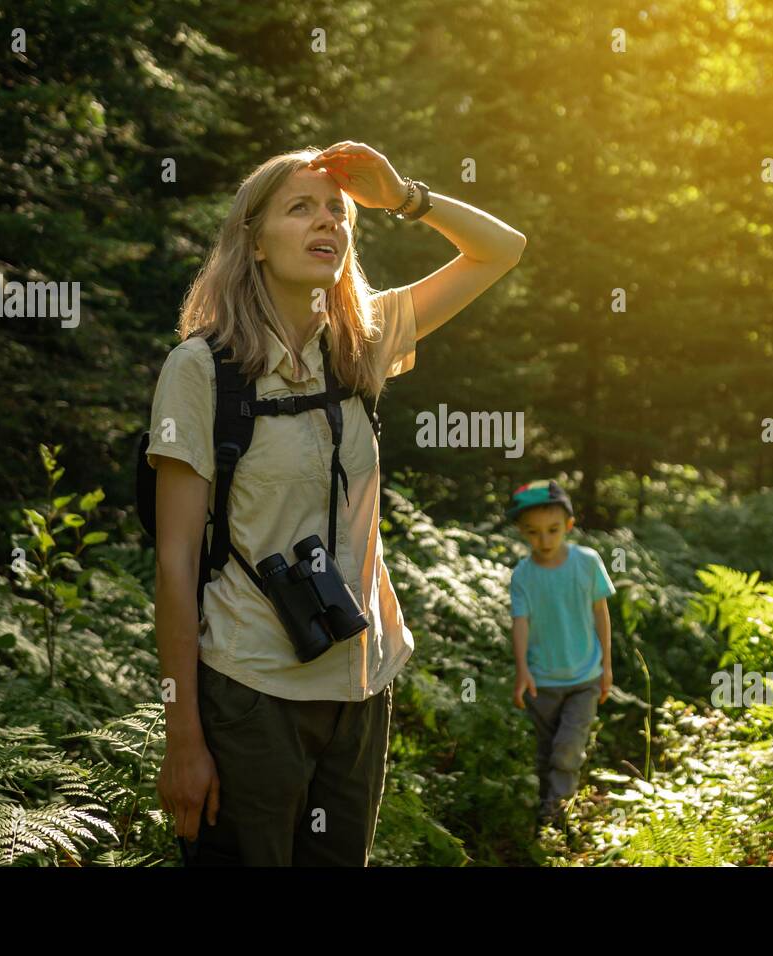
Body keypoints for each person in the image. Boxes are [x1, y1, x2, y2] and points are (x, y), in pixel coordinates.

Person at [151, 141, 526, 865]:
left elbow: (501, 250)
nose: (328, 222)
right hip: (251, 688)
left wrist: (403, 196)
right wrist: (183, 737)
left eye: (339, 211)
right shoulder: (200, 370)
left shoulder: (361, 341)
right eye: (301, 208)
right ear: (254, 242)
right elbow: (173, 566)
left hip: (361, 685)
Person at [507, 479, 617, 827]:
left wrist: (607, 667)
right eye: (534, 532)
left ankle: (557, 816)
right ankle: (549, 805)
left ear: (569, 526)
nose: (544, 540)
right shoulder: (523, 575)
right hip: (543, 680)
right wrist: (522, 670)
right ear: (522, 532)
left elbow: (601, 613)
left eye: (553, 530)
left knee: (568, 749)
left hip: (585, 676)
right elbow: (520, 623)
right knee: (547, 752)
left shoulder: (587, 563)